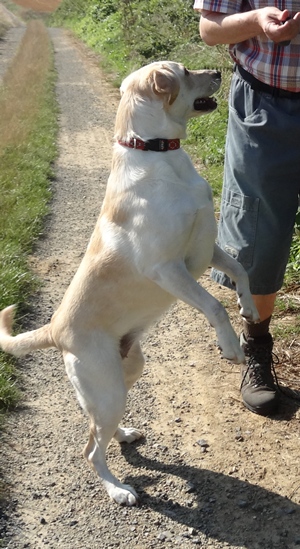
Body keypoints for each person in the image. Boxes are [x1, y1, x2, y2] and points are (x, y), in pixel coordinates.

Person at [193, 0, 300, 416]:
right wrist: (257, 21)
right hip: (264, 107)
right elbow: (210, 28)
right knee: (258, 234)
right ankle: (257, 349)